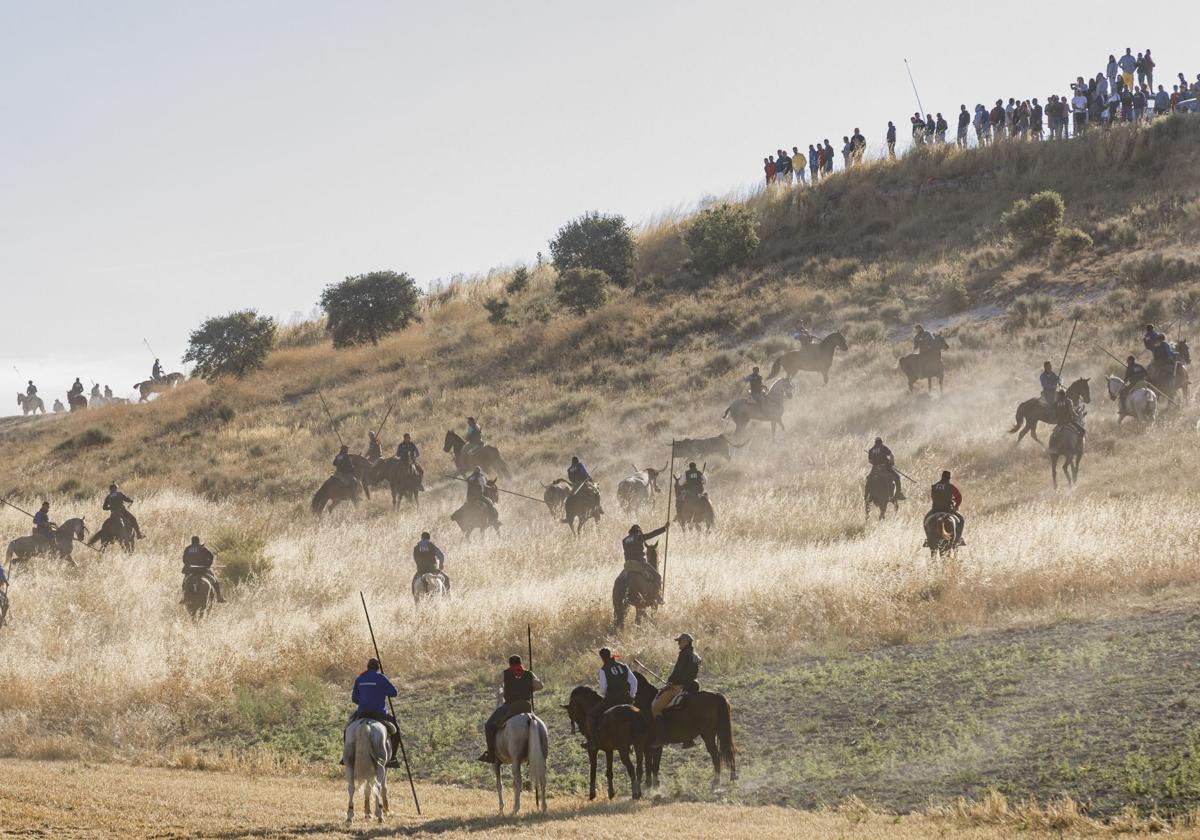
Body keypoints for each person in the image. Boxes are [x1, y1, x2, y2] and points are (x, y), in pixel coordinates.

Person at [479, 655, 542, 763]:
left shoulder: (505, 673)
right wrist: (528, 687)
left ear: (510, 664)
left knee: (489, 725)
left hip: (510, 705)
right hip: (526, 706)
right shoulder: (528, 673)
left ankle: (491, 755)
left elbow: (497, 682)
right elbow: (540, 686)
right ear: (521, 663)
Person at [650, 633, 701, 746]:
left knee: (655, 708)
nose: (678, 643)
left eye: (680, 641)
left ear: (686, 642)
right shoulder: (696, 655)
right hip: (693, 685)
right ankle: (688, 738)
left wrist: (670, 682)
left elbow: (678, 671)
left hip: (680, 686)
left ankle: (661, 738)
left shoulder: (683, 654)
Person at [349, 659, 401, 768]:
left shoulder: (360, 678)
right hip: (379, 713)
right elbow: (394, 693)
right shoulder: (381, 678)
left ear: (367, 667)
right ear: (378, 668)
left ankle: (347, 756)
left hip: (362, 712)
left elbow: (354, 698)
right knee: (396, 731)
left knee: (347, 729)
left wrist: (364, 701)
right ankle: (392, 758)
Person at [585, 648, 638, 749]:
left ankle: (593, 742)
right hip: (626, 698)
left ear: (601, 657)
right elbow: (634, 682)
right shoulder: (623, 666)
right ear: (610, 655)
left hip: (611, 700)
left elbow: (603, 689)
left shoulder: (603, 670)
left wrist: (606, 696)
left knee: (591, 715)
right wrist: (631, 696)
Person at [622, 523, 667, 598]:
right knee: (658, 577)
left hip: (628, 565)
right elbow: (652, 534)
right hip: (640, 563)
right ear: (638, 531)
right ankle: (657, 597)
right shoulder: (639, 537)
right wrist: (664, 528)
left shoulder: (624, 540)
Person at [180, 536, 226, 604]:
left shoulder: (188, 549)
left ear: (191, 541)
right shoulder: (202, 548)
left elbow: (184, 559)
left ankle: (184, 597)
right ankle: (219, 597)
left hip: (191, 570)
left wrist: (188, 565)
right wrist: (208, 565)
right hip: (202, 569)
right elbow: (211, 556)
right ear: (198, 541)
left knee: (184, 582)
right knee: (215, 580)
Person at [929, 470, 965, 546]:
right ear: (949, 478)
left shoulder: (934, 486)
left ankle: (928, 540)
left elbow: (933, 497)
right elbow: (959, 497)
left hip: (935, 510)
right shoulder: (950, 486)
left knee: (926, 520)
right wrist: (956, 506)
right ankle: (958, 540)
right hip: (947, 510)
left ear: (941, 477)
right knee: (961, 520)